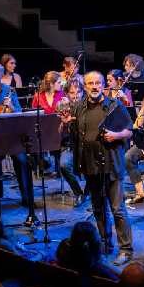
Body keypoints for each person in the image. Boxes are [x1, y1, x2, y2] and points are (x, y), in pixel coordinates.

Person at [60, 71, 134, 266]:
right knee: (99, 209)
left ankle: (125, 249)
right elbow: (71, 133)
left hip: (112, 164)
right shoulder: (78, 107)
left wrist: (116, 136)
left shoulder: (114, 105)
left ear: (103, 85)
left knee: (117, 209)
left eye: (98, 83)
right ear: (84, 86)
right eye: (90, 83)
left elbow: (129, 129)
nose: (94, 86)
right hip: (90, 165)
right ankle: (105, 243)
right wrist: (66, 125)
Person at [0, 63, 34, 217]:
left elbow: (19, 112)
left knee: (22, 160)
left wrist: (11, 107)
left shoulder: (9, 90)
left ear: (1, 76)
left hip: (10, 135)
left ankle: (27, 198)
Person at [59, 79, 89, 207]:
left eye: (79, 91)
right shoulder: (63, 107)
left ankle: (88, 192)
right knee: (64, 165)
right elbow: (60, 132)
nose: (76, 95)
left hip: (87, 145)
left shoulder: (88, 105)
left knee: (92, 166)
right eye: (72, 92)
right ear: (67, 94)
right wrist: (65, 124)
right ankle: (78, 193)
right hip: (70, 145)